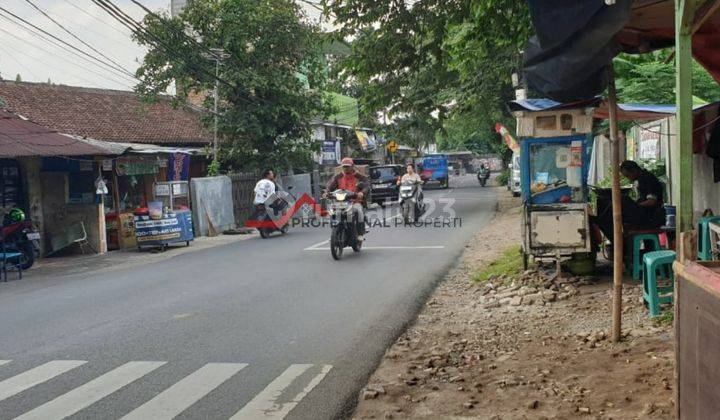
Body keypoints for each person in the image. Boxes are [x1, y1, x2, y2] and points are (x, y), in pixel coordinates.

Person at [591, 160, 666, 245]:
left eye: (627, 175)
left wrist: (634, 205)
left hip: (650, 217)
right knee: (607, 211)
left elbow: (651, 202)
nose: (627, 178)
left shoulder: (649, 179)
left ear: (634, 170)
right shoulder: (640, 179)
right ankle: (619, 242)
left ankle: (622, 246)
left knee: (623, 199)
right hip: (644, 214)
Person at [325, 157, 369, 241]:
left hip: (355, 201)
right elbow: (330, 185)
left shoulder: (359, 176)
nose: (346, 168)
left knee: (358, 211)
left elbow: (366, 185)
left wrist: (361, 193)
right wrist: (327, 192)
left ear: (352, 166)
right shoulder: (338, 177)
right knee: (332, 212)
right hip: (340, 202)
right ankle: (335, 232)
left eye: (348, 166)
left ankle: (360, 233)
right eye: (344, 166)